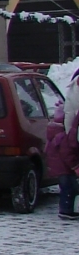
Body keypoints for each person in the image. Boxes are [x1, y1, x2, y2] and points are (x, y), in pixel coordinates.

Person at [51, 72, 79, 221]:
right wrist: (75, 167)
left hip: (69, 147)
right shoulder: (67, 137)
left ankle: (66, 209)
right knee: (68, 185)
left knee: (70, 185)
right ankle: (65, 210)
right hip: (65, 155)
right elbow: (68, 150)